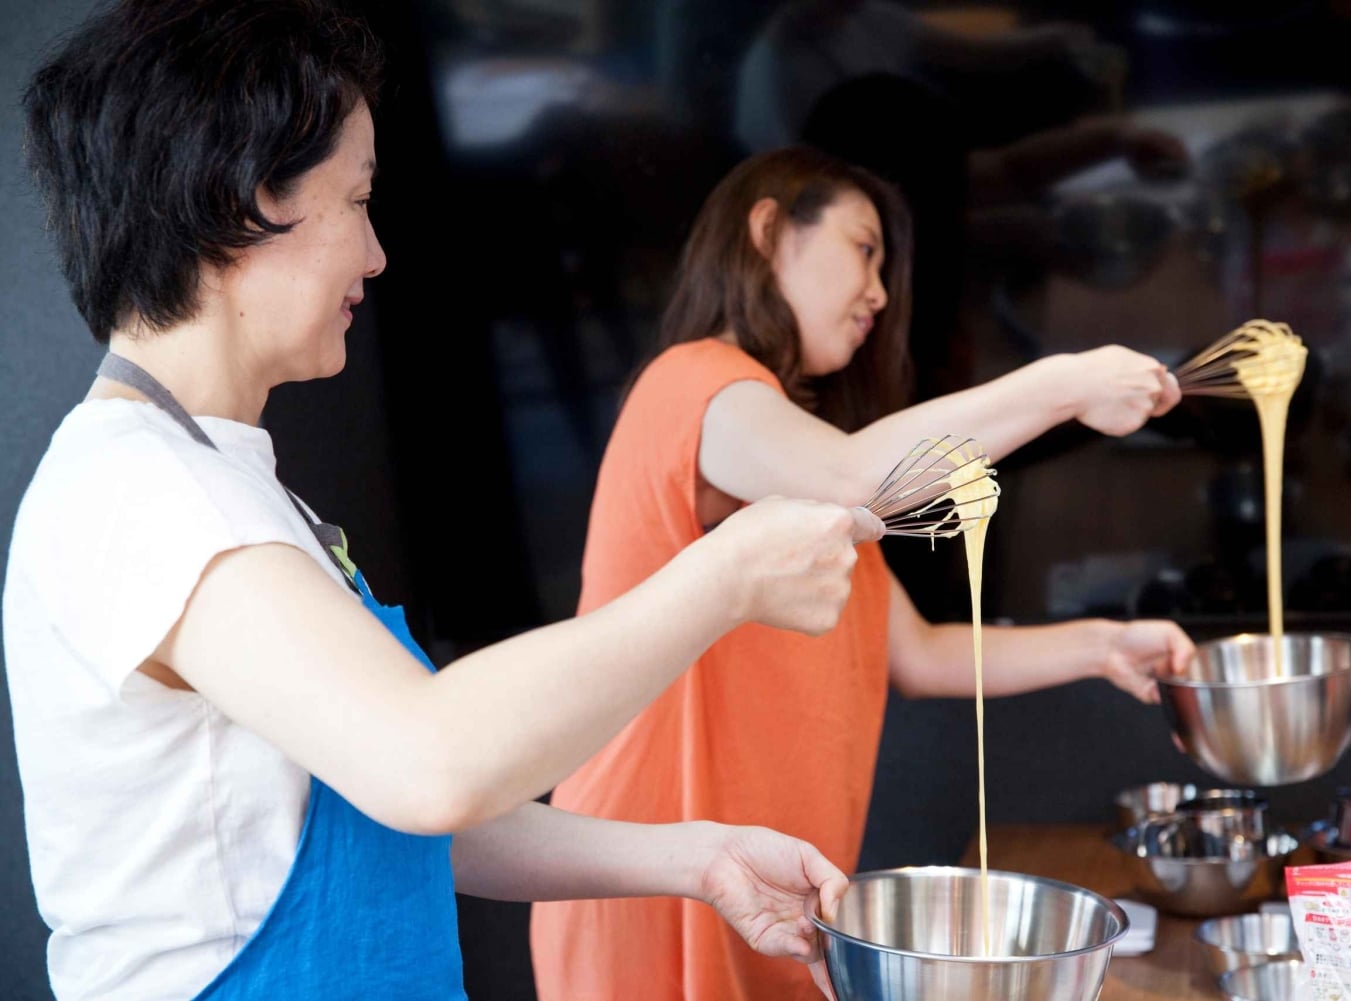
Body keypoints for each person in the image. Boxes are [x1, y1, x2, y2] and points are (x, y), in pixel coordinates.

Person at [3, 4, 882, 999]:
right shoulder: (139, 492)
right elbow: (429, 763)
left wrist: (699, 857)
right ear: (241, 200)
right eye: (356, 200)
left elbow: (401, 807)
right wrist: (724, 578)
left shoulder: (218, 481)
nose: (376, 254)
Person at [529, 146, 1197, 1001]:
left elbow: (918, 653)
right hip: (649, 893)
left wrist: (1105, 646)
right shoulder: (692, 381)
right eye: (864, 249)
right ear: (768, 231)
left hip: (767, 896)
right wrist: (1067, 383)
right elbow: (852, 473)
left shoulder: (798, 471)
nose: (879, 294)